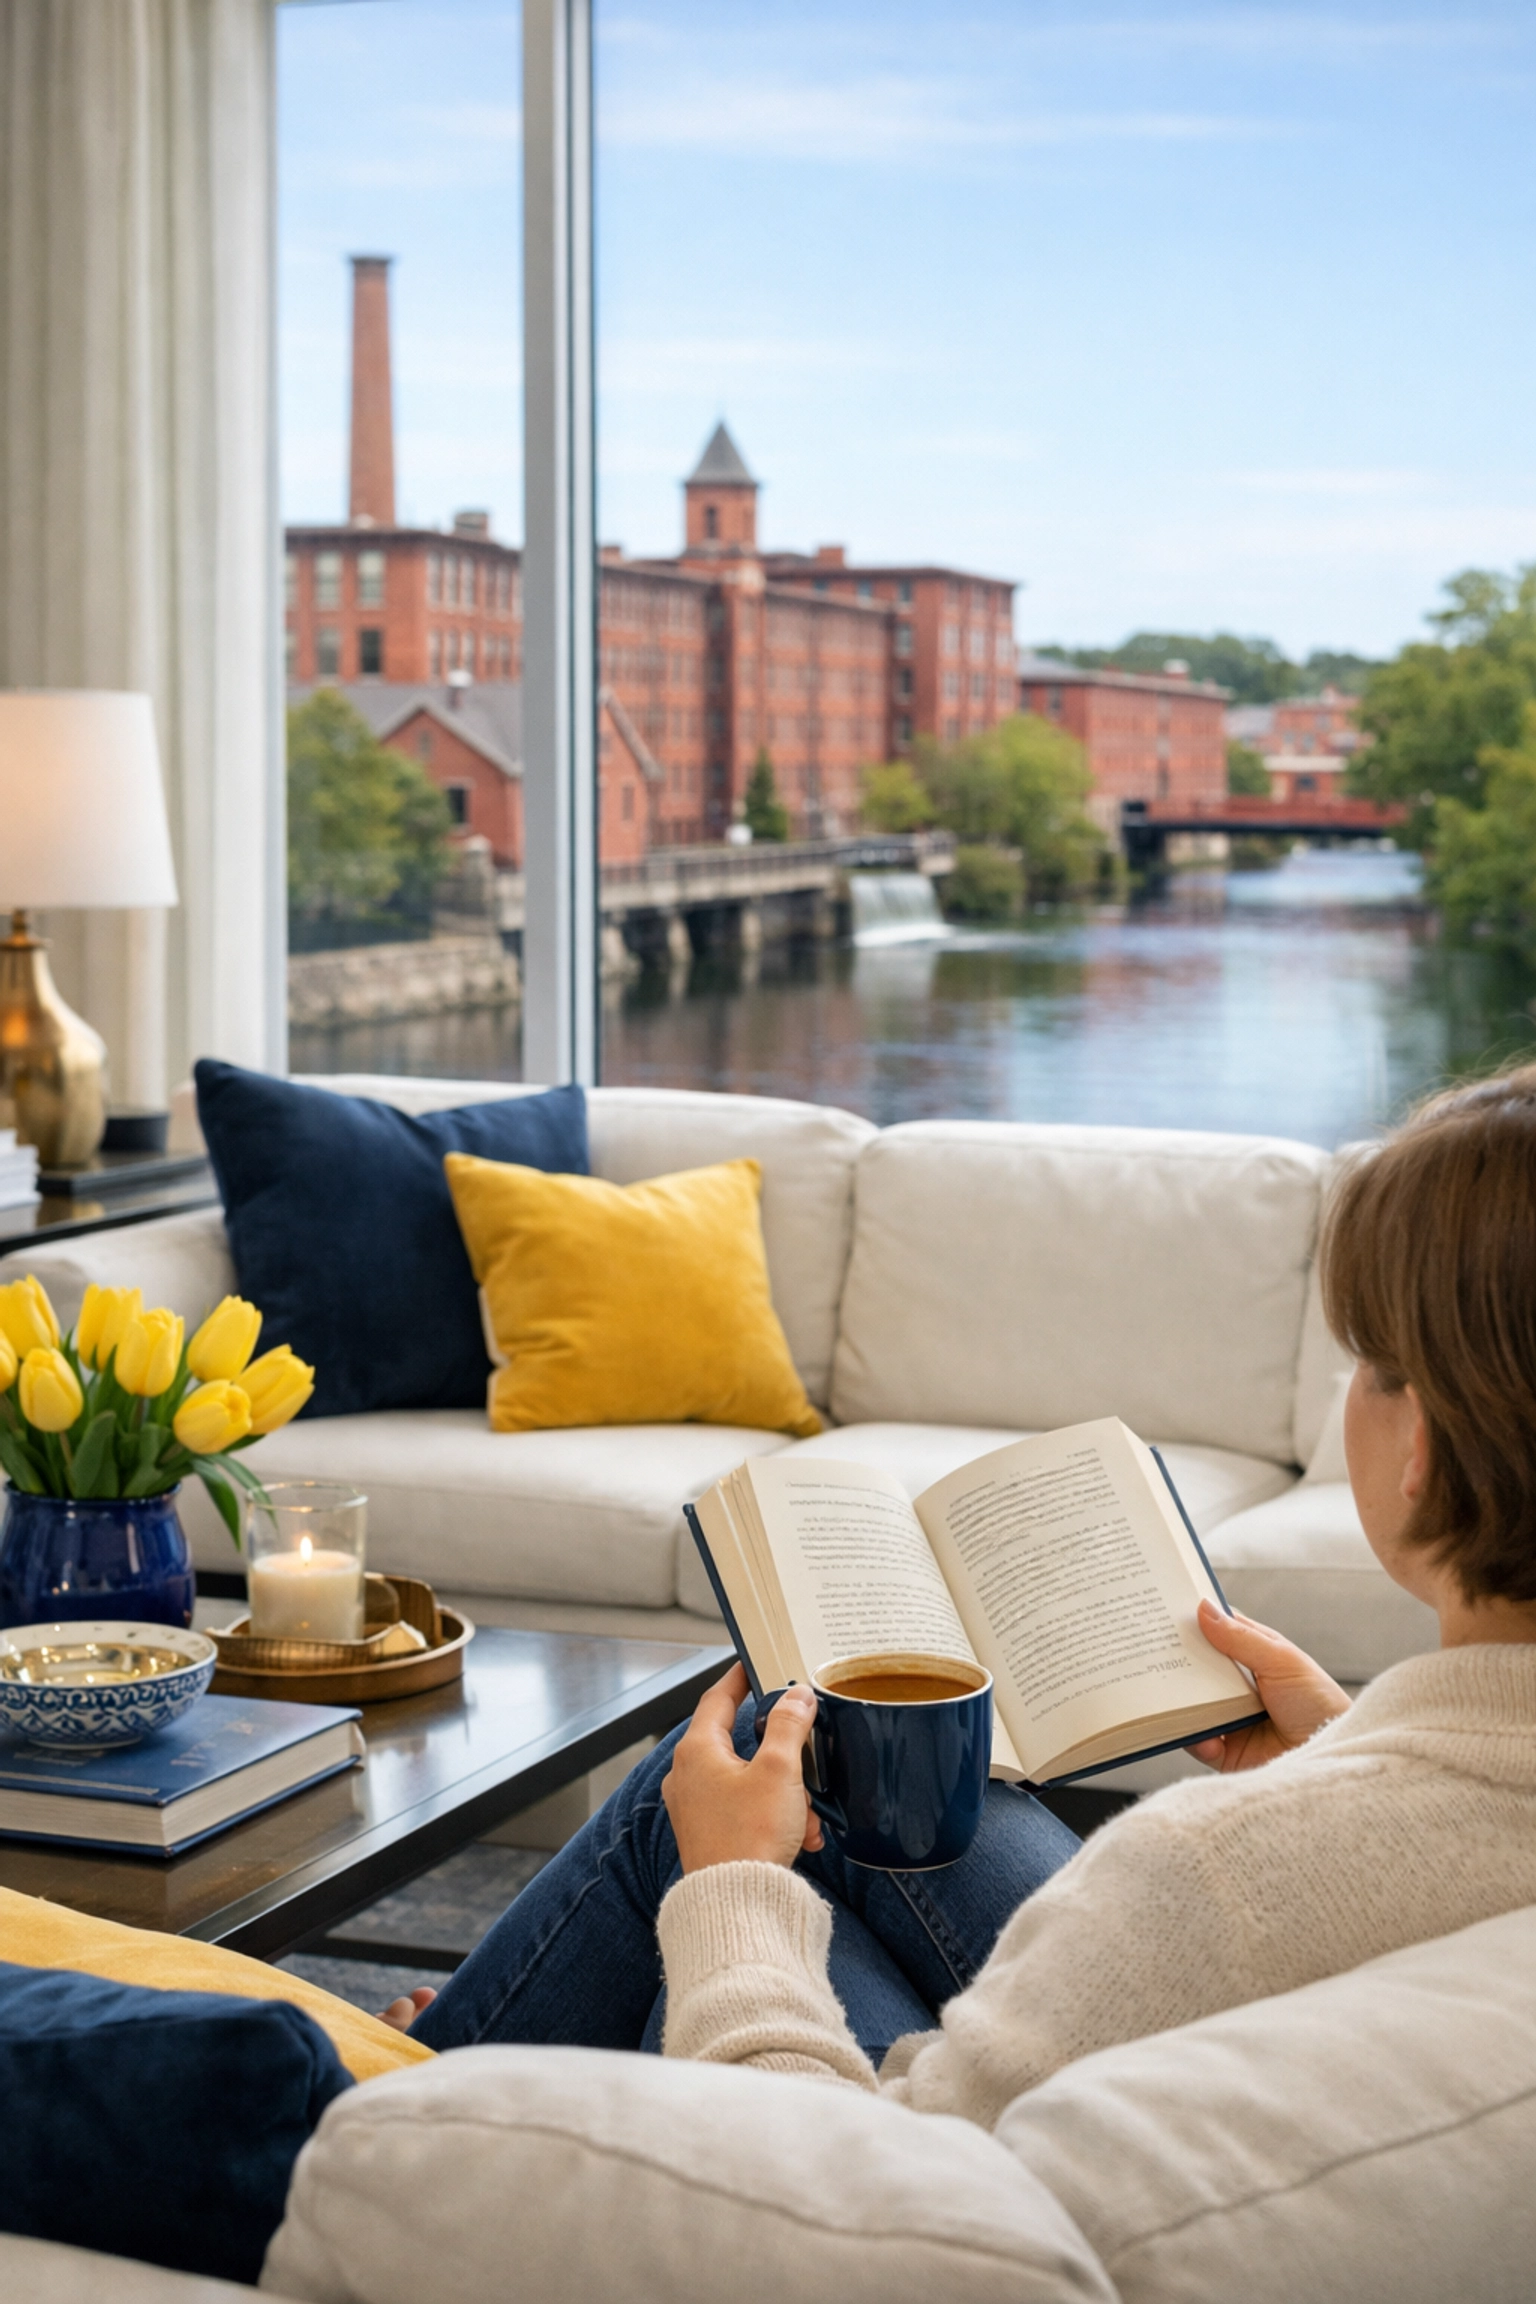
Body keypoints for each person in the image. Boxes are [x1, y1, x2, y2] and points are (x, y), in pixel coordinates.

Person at [390, 1067, 1536, 2129]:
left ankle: (398, 2128)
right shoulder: (1354, 1837)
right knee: (843, 1774)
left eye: (1367, 1366)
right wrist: (1340, 1754)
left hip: (923, 2198)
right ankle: (434, 2091)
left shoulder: (1213, 1874)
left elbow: (829, 2219)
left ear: (1420, 1444)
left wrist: (732, 1892)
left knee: (742, 1820)